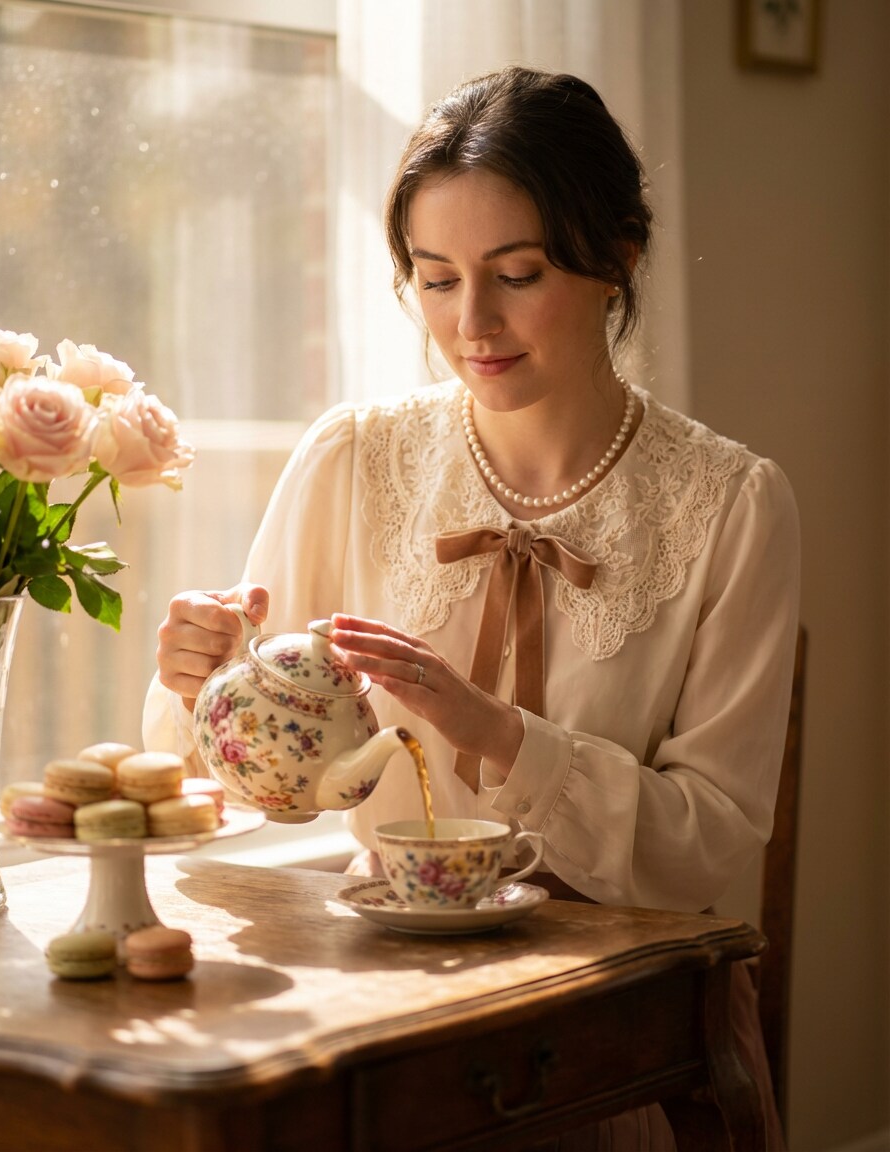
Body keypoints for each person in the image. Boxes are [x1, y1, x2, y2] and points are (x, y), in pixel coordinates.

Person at [144, 65, 799, 1149]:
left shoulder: (732, 504)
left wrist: (501, 735)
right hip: (379, 1012)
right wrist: (197, 679)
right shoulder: (353, 459)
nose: (472, 322)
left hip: (614, 1034)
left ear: (619, 257)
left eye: (517, 274)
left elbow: (707, 845)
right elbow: (245, 779)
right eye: (436, 279)